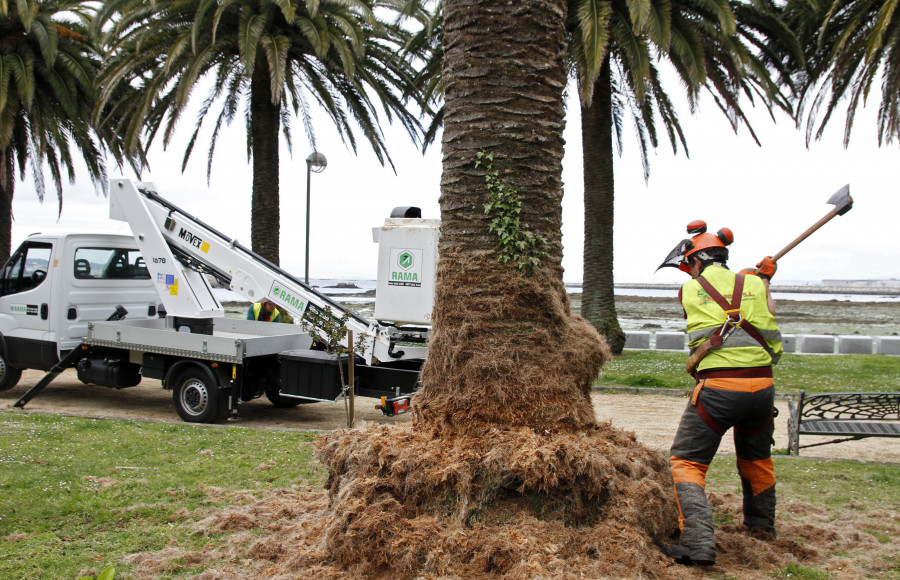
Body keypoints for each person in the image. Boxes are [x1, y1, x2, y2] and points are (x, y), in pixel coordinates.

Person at [657, 220, 783, 566]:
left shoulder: (689, 290)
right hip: (762, 388)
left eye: (689, 266)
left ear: (696, 261)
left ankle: (696, 542)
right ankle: (761, 529)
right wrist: (763, 280)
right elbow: (769, 313)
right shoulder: (755, 283)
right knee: (757, 460)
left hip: (720, 390)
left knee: (686, 462)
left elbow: (700, 304)